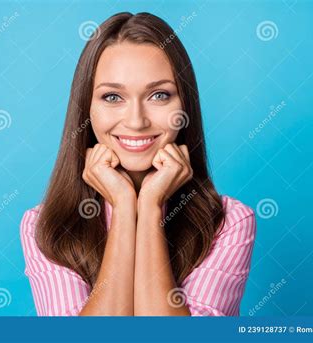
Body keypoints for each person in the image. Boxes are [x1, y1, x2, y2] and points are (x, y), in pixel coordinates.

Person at [20, 12, 256, 316]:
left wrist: (149, 208)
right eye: (113, 97)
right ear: (87, 110)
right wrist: (122, 205)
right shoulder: (46, 226)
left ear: (184, 105)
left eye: (159, 95)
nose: (136, 121)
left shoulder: (229, 222)